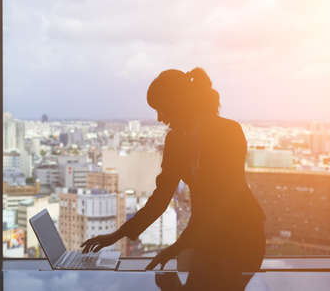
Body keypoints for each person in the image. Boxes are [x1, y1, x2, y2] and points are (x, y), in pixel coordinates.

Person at [81, 68, 266, 284]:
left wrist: (178, 247)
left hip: (241, 237)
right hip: (208, 239)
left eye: (162, 109)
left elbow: (220, 203)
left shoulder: (228, 132)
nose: (160, 118)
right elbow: (161, 198)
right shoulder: (176, 141)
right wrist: (117, 235)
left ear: (179, 104)